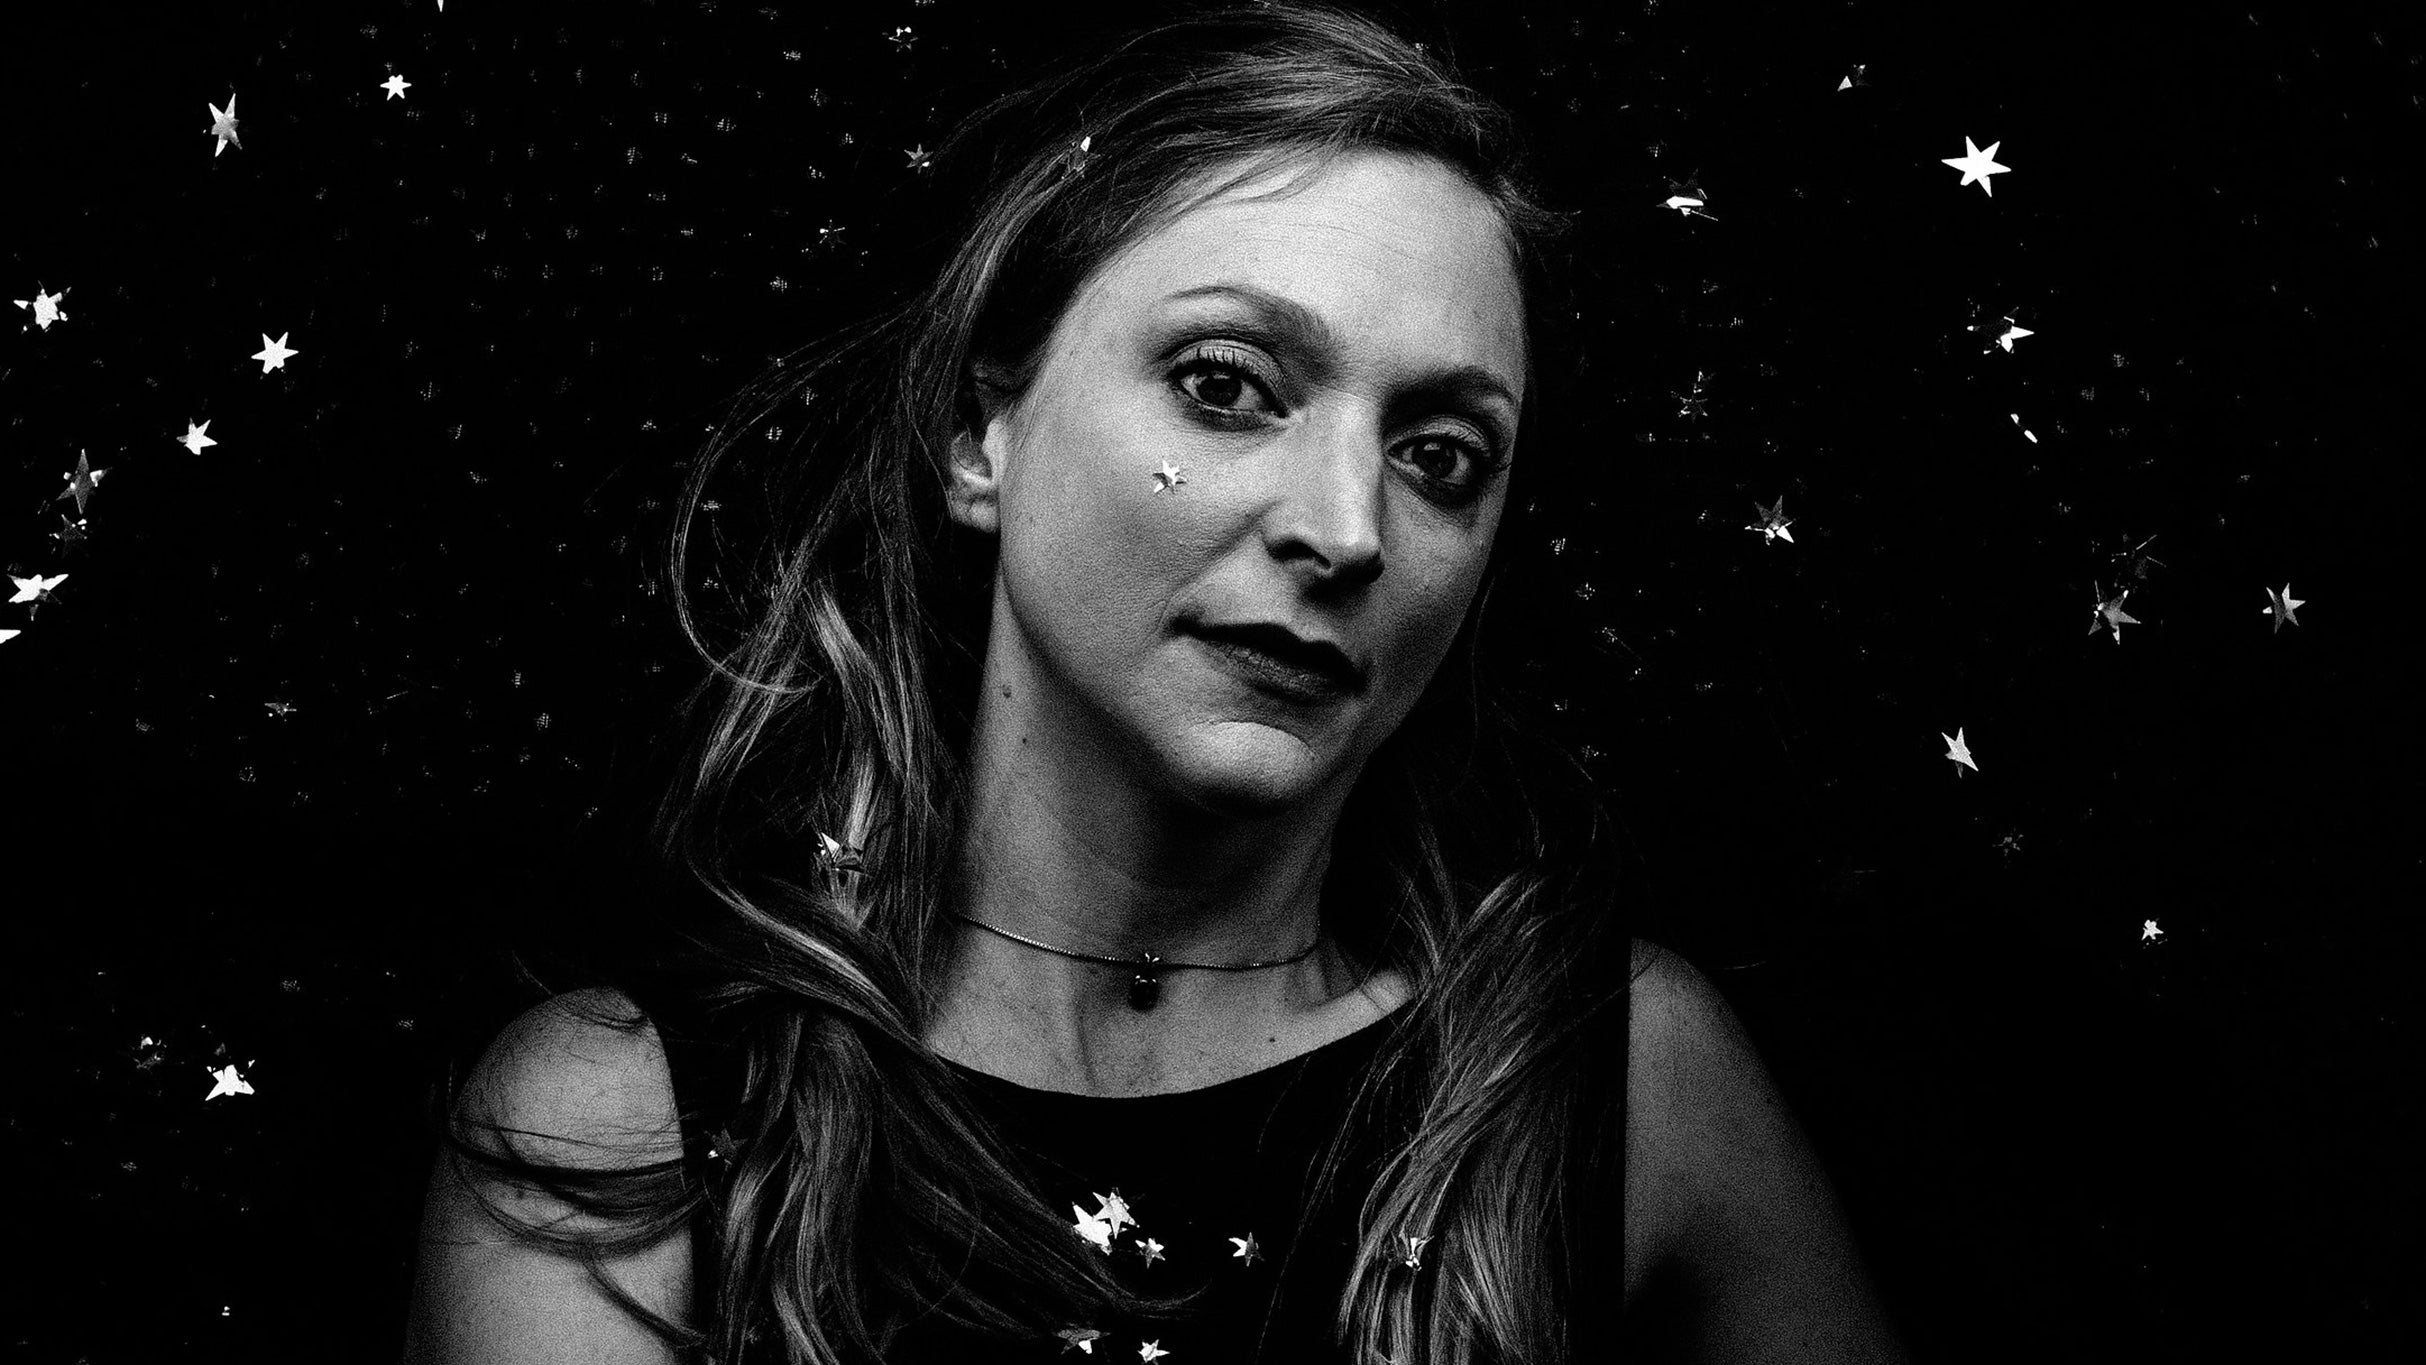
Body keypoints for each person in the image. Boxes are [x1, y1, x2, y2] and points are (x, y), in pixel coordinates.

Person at [401, 4, 1910, 1362]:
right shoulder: (631, 1128)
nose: (1346, 529)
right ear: (981, 435)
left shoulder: (1610, 1081)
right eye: (1226, 386)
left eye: (1441, 457)